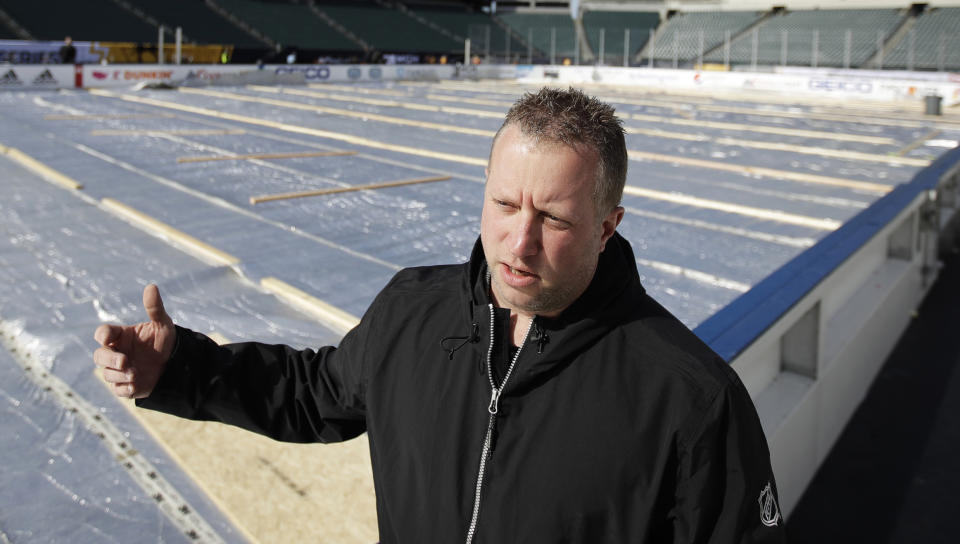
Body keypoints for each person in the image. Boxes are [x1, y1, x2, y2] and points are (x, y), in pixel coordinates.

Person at [93, 87, 786, 542]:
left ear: (608, 226)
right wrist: (180, 369)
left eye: (554, 217)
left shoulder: (689, 397)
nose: (520, 241)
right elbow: (316, 395)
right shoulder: (413, 311)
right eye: (505, 204)